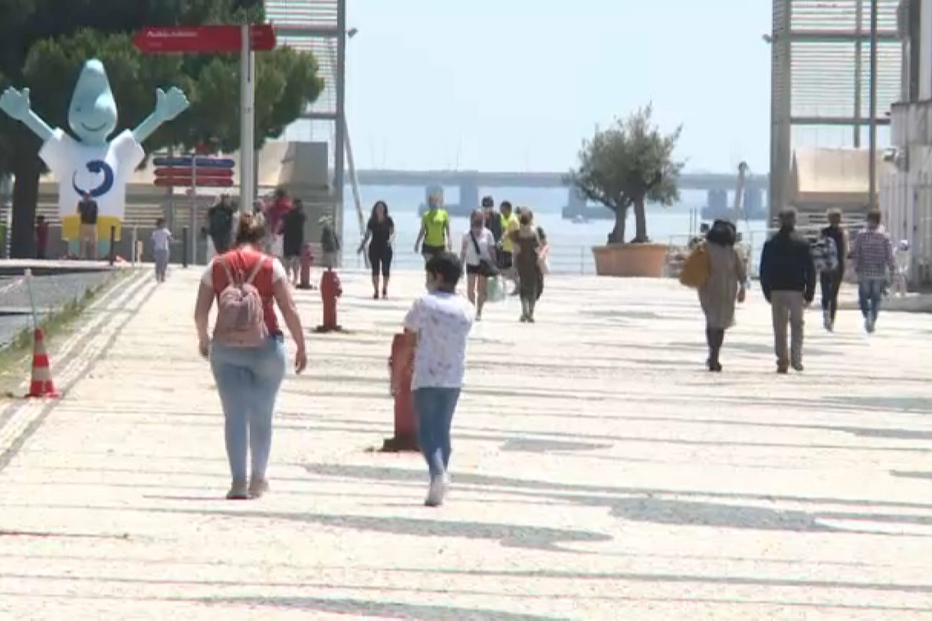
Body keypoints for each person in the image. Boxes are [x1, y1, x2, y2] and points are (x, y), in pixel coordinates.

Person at [194, 213, 307, 500]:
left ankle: (237, 482)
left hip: (226, 349)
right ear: (262, 239)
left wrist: (204, 340)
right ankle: (259, 479)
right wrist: (301, 344)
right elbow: (288, 308)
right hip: (266, 346)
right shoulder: (272, 266)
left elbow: (200, 313)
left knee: (234, 415)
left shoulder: (217, 265)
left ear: (236, 237)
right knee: (262, 414)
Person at [400, 252, 474, 507]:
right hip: (454, 375)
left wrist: (401, 368)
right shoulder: (467, 307)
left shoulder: (424, 302)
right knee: (442, 429)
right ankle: (439, 479)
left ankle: (438, 473)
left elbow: (408, 335)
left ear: (437, 276)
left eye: (428, 275)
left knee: (424, 432)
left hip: (427, 373)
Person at [760, 207, 816, 374]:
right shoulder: (803, 244)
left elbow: (764, 270)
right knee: (797, 325)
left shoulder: (770, 244)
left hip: (777, 290)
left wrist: (766, 290)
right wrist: (810, 292)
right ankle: (796, 359)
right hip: (796, 290)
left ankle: (782, 360)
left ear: (779, 221)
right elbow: (810, 270)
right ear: (794, 221)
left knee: (779, 327)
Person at [697, 220, 747, 372]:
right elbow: (741, 274)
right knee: (720, 325)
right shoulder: (732, 251)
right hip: (726, 292)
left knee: (711, 322)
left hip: (707, 290)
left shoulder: (705, 248)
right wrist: (742, 289)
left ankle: (712, 354)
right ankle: (715, 354)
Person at [850, 208, 896, 334]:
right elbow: (889, 255)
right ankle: (872, 319)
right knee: (876, 298)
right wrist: (892, 269)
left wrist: (855, 267)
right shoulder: (884, 236)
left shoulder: (861, 235)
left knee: (863, 297)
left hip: (864, 271)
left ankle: (867, 315)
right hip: (879, 272)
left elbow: (856, 253)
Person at [460, 209, 496, 320]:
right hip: (471, 263)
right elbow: (463, 251)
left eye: (481, 218)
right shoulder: (467, 234)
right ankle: (472, 309)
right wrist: (460, 265)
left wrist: (494, 264)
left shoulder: (488, 233)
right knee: (470, 289)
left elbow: (491, 249)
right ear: (472, 220)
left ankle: (479, 311)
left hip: (483, 264)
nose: (480, 220)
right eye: (477, 218)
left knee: (481, 290)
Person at [358, 200, 395, 299]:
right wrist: (362, 246)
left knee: (386, 269)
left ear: (384, 209)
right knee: (375, 269)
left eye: (381, 208)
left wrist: (390, 240)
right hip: (374, 247)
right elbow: (367, 235)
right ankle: (376, 291)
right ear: (375, 209)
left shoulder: (388, 220)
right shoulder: (372, 221)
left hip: (386, 246)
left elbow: (392, 233)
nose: (380, 209)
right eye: (378, 208)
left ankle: (384, 288)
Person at [510, 211, 543, 322]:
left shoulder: (517, 234)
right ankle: (531, 313)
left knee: (523, 288)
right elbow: (538, 247)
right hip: (533, 263)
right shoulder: (534, 232)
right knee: (534, 287)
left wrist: (513, 265)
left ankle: (524, 311)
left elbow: (515, 251)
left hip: (521, 263)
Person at [819, 209, 847, 331]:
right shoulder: (843, 233)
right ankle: (831, 320)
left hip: (825, 265)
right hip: (838, 266)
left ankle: (825, 312)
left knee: (825, 292)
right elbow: (845, 250)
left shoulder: (823, 232)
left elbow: (818, 248)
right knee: (834, 295)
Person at [414, 192, 451, 261]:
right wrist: (417, 243)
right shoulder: (426, 215)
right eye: (431, 202)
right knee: (429, 267)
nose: (433, 203)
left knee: (439, 267)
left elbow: (447, 228)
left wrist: (449, 240)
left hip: (440, 245)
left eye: (435, 201)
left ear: (438, 202)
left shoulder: (444, 214)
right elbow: (422, 231)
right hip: (428, 245)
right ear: (429, 203)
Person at [282, 199, 307, 286]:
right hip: (298, 239)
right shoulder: (302, 215)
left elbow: (283, 224)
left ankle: (287, 276)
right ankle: (295, 278)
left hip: (288, 239)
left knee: (288, 259)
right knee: (296, 260)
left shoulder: (287, 214)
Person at [498, 201, 520, 294]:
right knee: (502, 269)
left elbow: (507, 232)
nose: (500, 210)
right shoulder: (503, 217)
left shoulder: (513, 220)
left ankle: (518, 285)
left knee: (507, 270)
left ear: (507, 209)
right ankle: (506, 287)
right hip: (504, 248)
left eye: (502, 209)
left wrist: (501, 241)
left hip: (510, 248)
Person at [77, 191, 98, 259]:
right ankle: (85, 257)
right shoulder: (83, 203)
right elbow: (78, 211)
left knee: (91, 242)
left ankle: (91, 257)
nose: (86, 197)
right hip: (87, 224)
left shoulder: (92, 203)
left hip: (90, 224)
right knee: (84, 242)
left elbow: (78, 211)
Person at [151, 217, 172, 283]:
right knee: (160, 263)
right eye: (163, 223)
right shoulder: (157, 232)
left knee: (162, 263)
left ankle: (161, 275)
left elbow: (169, 238)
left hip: (162, 249)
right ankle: (159, 275)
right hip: (160, 249)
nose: (164, 225)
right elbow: (170, 238)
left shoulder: (165, 231)